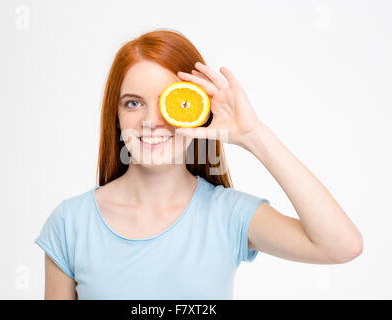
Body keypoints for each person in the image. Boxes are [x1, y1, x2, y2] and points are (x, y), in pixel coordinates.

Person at [35, 28, 363, 300]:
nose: (152, 121)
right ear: (117, 117)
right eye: (133, 103)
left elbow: (341, 246)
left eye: (172, 101)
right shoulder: (70, 224)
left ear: (198, 111)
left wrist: (254, 135)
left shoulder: (228, 215)